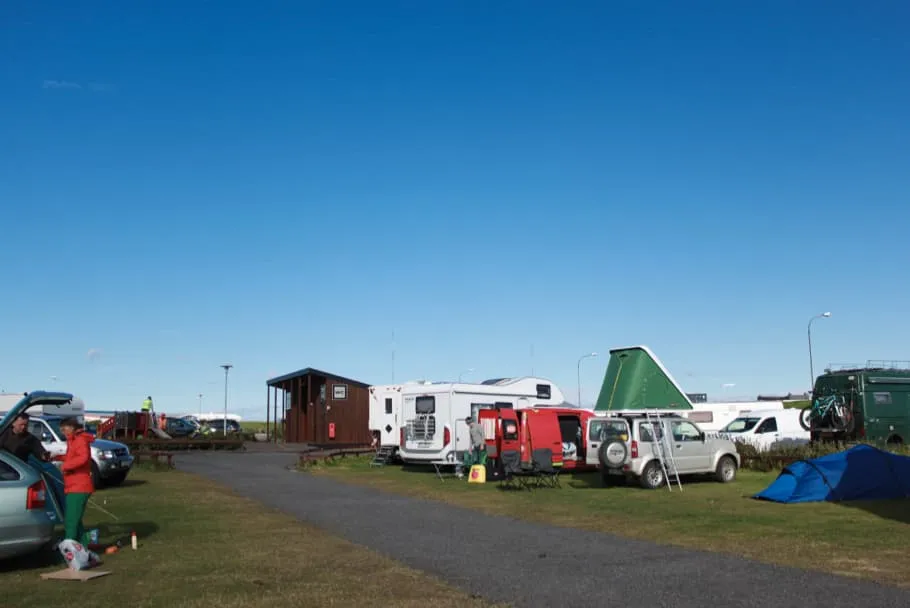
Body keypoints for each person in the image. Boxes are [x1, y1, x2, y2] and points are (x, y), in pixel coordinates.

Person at [59, 417, 95, 544]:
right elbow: (72, 457)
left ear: (72, 427)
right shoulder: (73, 441)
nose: (63, 432)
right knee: (76, 520)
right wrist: (58, 457)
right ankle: (85, 544)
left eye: (64, 429)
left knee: (71, 521)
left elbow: (83, 458)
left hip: (79, 486)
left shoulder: (79, 440)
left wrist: (65, 466)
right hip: (73, 485)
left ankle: (70, 549)